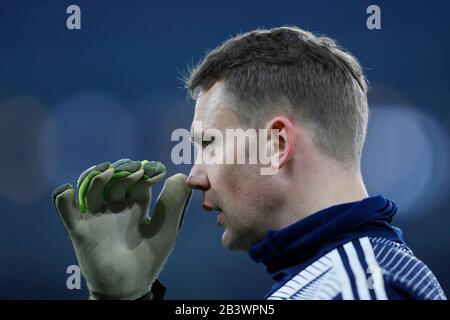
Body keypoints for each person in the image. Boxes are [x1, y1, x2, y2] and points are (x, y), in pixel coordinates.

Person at [52, 26, 446, 300]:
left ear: (276, 144)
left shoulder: (358, 289)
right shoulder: (337, 278)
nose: (194, 176)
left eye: (209, 144)